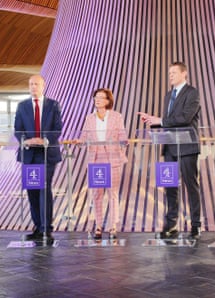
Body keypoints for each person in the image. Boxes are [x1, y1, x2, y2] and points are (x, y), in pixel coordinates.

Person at [138, 61, 202, 240]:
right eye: (169, 73)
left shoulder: (192, 92)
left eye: (174, 72)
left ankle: (196, 225)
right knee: (170, 186)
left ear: (184, 73)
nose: (170, 75)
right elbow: (168, 120)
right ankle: (171, 223)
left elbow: (185, 118)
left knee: (191, 186)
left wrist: (160, 121)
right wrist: (154, 120)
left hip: (187, 147)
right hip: (170, 147)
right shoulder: (168, 95)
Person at [14, 74, 63, 242]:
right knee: (32, 191)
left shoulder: (53, 105)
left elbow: (57, 128)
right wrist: (26, 140)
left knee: (44, 189)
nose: (33, 87)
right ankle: (37, 227)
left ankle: (46, 228)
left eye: (36, 84)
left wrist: (44, 140)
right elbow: (17, 129)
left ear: (43, 86)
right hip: (29, 154)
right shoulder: (22, 106)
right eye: (31, 84)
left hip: (47, 155)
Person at [80, 88, 128, 240]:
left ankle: (113, 226)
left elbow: (123, 136)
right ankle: (99, 226)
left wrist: (122, 142)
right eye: (96, 97)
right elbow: (84, 137)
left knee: (112, 194)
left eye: (101, 97)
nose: (97, 100)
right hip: (95, 159)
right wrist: (79, 142)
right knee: (97, 194)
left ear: (108, 101)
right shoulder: (89, 118)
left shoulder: (116, 116)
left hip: (112, 158)